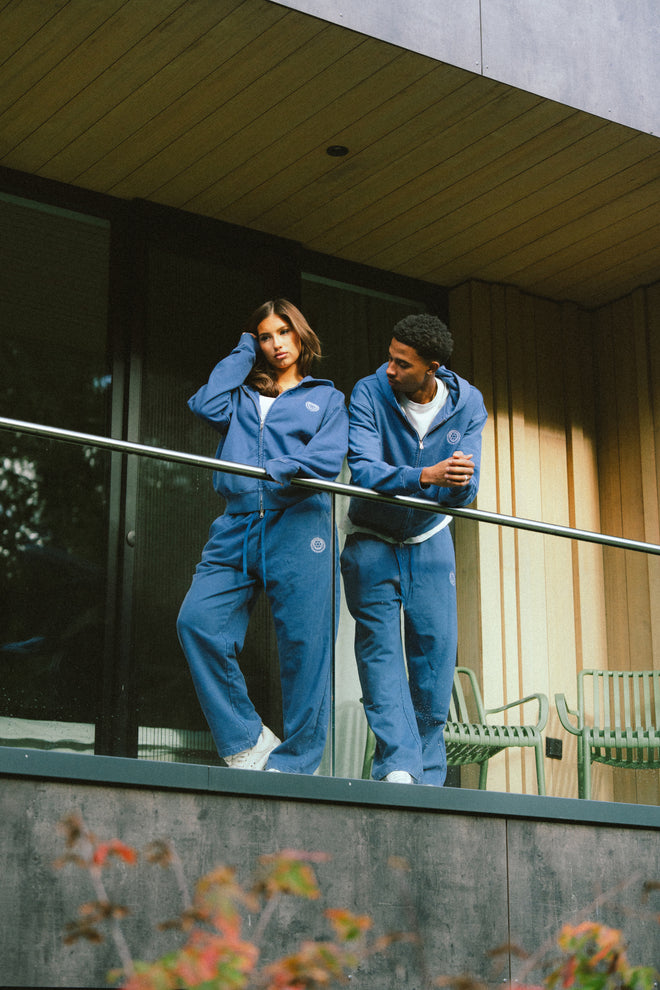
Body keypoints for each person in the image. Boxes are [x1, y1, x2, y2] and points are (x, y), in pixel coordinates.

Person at [177, 299, 348, 774]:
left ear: (301, 335)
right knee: (198, 621)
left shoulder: (328, 398)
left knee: (306, 651)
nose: (277, 344)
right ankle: (246, 740)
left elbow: (325, 459)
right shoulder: (240, 396)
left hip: (299, 524)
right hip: (235, 524)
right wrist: (242, 350)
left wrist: (273, 470)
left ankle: (297, 764)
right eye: (266, 336)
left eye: (284, 333)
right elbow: (204, 402)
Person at [340, 313, 487, 786]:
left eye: (402, 364)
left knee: (435, 660)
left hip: (430, 540)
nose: (390, 369)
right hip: (372, 542)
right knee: (380, 658)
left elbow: (465, 487)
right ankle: (397, 766)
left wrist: (459, 483)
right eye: (389, 357)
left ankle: (427, 776)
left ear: (433, 368)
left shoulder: (468, 405)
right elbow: (364, 471)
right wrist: (427, 475)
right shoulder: (368, 392)